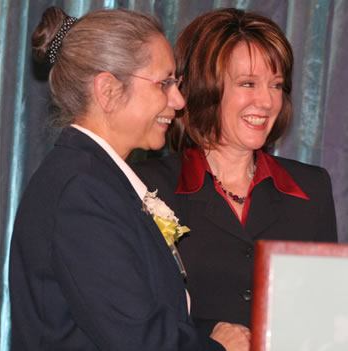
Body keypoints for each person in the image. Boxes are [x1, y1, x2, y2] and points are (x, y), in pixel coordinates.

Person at [8, 6, 251, 351]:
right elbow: (137, 340)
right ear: (108, 90)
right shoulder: (82, 193)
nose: (179, 100)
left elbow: (132, 314)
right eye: (164, 83)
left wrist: (208, 331)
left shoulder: (95, 180)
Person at [133, 7, 337, 336]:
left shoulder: (311, 188)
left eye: (276, 86)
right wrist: (208, 335)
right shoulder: (146, 186)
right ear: (204, 88)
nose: (267, 101)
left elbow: (321, 326)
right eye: (248, 83)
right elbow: (131, 318)